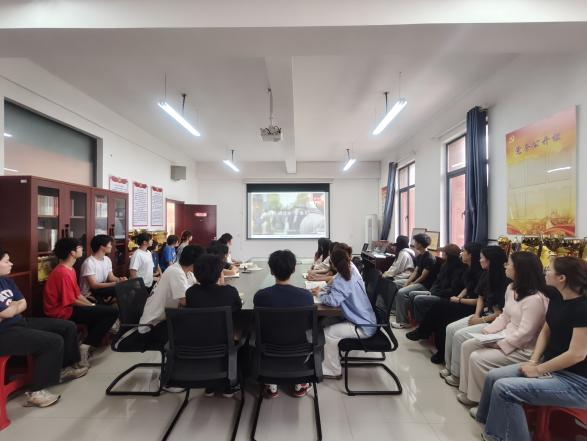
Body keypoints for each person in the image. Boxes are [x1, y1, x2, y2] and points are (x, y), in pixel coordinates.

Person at [476, 257, 587, 441]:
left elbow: (577, 354)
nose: (545, 272)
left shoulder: (582, 308)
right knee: (494, 376)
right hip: (552, 366)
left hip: (577, 382)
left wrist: (538, 369)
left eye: (549, 270)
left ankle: (496, 433)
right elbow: (545, 331)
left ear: (562, 278)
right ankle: (488, 422)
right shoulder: (557, 297)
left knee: (505, 389)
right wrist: (534, 360)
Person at [456, 251, 548, 406]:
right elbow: (505, 316)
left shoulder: (535, 299)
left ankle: (479, 400)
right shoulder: (511, 288)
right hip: (505, 336)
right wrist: (487, 332)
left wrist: (500, 344)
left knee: (478, 358)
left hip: (524, 348)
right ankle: (468, 391)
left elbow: (526, 333)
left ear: (520, 270)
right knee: (468, 345)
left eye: (509, 264)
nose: (505, 266)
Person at [0, 247, 87, 408]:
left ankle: (64, 368)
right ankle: (36, 393)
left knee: (67, 326)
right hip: (4, 333)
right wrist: (11, 308)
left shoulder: (6, 280)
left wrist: (12, 309)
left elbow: (22, 303)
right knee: (52, 341)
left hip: (19, 322)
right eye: (6, 261)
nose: (11, 263)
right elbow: (8, 311)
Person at [44, 238, 118, 367]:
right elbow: (72, 300)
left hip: (69, 307)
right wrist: (92, 306)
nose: (82, 249)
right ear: (72, 253)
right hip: (61, 311)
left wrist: (92, 306)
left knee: (105, 311)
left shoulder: (70, 269)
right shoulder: (62, 272)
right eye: (79, 247)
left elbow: (77, 295)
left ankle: (86, 345)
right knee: (111, 312)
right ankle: (85, 347)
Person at [441, 245, 509, 386]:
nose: (480, 260)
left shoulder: (506, 281)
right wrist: (477, 315)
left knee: (460, 336)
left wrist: (481, 319)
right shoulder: (486, 274)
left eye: (482, 258)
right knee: (450, 328)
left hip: (495, 321)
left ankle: (457, 375)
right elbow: (480, 297)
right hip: (483, 314)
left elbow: (501, 313)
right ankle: (450, 367)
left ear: (490, 260)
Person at [406, 242, 484, 363]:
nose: (462, 253)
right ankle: (427, 335)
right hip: (461, 300)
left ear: (471, 255)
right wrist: (458, 298)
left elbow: (480, 299)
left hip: (471, 306)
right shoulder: (470, 269)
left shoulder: (480, 273)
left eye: (464, 251)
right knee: (439, 312)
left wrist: (459, 299)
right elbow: (467, 288)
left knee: (439, 308)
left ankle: (425, 332)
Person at [254, 249, 314, 398]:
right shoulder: (306, 296)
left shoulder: (260, 296)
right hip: (299, 353)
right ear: (294, 270)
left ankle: (271, 383)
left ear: (271, 271)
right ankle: (300, 382)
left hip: (268, 351)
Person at [313, 247, 377, 379]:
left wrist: (320, 294)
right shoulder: (350, 270)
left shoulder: (344, 278)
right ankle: (326, 358)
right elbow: (332, 286)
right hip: (364, 318)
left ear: (333, 264)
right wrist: (322, 291)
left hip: (363, 326)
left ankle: (333, 369)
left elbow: (333, 301)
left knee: (328, 332)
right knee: (324, 323)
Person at [123, 245, 203, 349]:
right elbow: (185, 302)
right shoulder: (176, 272)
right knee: (192, 327)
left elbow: (198, 285)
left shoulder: (186, 272)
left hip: (164, 319)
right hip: (152, 327)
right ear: (195, 263)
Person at [186, 253, 243, 397]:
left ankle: (210, 385)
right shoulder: (229, 292)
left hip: (198, 342)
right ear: (219, 273)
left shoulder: (191, 293)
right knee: (243, 331)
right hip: (224, 342)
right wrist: (222, 284)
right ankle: (232, 382)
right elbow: (237, 310)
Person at [409, 243, 467, 324]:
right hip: (437, 292)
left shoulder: (460, 269)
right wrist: (433, 290)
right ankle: (418, 322)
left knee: (419, 299)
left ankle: (422, 324)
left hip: (446, 296)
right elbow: (437, 281)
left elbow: (453, 290)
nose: (442, 253)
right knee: (412, 294)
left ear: (448, 255)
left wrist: (436, 293)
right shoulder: (444, 265)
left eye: (444, 252)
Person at [391, 233, 437, 328]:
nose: (413, 243)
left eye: (415, 242)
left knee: (401, 292)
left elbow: (423, 276)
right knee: (394, 284)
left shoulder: (429, 258)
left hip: (424, 285)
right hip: (417, 281)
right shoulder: (420, 256)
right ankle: (396, 310)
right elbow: (415, 272)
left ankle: (404, 322)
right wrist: (408, 282)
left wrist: (411, 284)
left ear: (420, 244)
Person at [80, 235, 127, 302]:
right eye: (110, 244)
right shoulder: (89, 263)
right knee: (120, 291)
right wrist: (116, 283)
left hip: (100, 289)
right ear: (102, 246)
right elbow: (94, 285)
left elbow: (110, 277)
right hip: (89, 294)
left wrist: (120, 279)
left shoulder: (107, 259)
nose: (111, 246)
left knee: (125, 288)